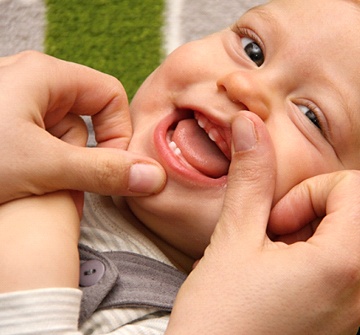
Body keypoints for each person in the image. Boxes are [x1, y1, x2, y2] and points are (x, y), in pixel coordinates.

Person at [1, 0, 360, 333]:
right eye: (253, 50)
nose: (244, 86)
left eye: (310, 116)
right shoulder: (30, 133)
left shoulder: (185, 321)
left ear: (326, 214)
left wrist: (37, 209)